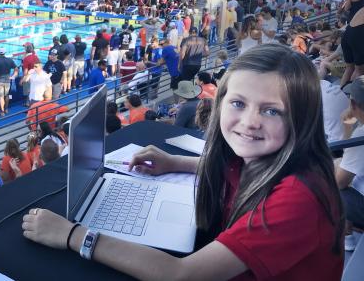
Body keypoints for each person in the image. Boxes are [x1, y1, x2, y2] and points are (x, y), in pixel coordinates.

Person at [23, 44, 344, 280]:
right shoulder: (260, 156)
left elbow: (182, 275)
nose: (250, 122)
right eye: (238, 103)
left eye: (271, 110)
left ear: (301, 119)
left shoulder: (298, 197)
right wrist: (178, 162)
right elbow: (231, 168)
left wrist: (73, 235)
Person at [335, 76, 364, 251]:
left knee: (329, 186)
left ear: (353, 104)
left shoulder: (361, 135)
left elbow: (340, 182)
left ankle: (346, 236)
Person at [0, 48, 18, 116]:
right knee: (7, 95)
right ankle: (6, 109)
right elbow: (16, 69)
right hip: (7, 81)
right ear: (5, 53)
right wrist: (13, 76)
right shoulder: (9, 60)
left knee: (1, 97)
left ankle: (2, 112)